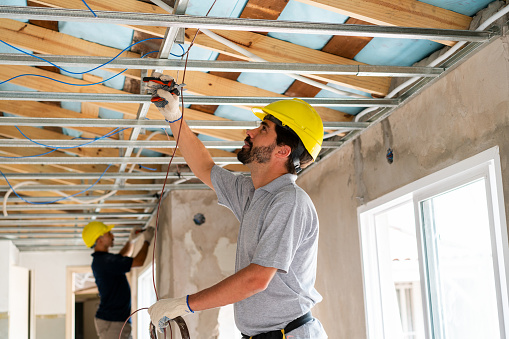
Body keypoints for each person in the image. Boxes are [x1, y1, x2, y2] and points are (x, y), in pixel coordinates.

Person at [146, 73, 327, 339]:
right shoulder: (253, 193)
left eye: (263, 129)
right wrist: (174, 116)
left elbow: (257, 278)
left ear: (283, 151)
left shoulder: (289, 201)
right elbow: (205, 168)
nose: (250, 132)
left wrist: (184, 304)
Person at [81, 221, 155, 339]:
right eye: (108, 233)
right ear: (99, 240)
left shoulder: (103, 260)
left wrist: (131, 241)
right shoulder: (104, 261)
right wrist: (147, 241)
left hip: (113, 320)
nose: (112, 236)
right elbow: (138, 261)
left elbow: (120, 258)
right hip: (113, 321)